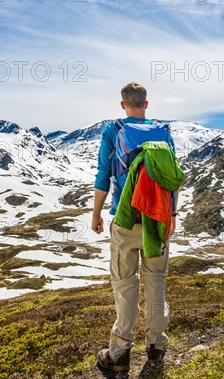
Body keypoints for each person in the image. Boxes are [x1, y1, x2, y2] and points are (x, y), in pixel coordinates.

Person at [92, 82, 177, 377]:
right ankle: (156, 351)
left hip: (125, 220)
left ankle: (118, 356)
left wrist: (96, 214)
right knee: (156, 283)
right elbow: (170, 178)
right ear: (146, 105)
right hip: (157, 222)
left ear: (122, 105)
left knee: (125, 286)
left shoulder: (113, 131)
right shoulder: (163, 132)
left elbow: (104, 174)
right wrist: (172, 215)